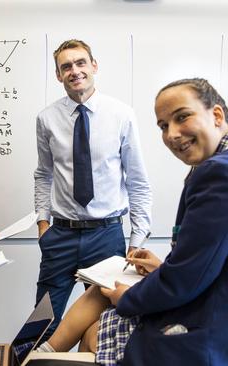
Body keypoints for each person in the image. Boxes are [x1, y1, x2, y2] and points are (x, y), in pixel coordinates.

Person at [37, 78, 228, 366]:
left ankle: (41, 356)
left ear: (216, 115)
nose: (172, 134)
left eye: (182, 117)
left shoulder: (221, 174)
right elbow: (213, 259)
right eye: (163, 126)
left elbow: (186, 280)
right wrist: (162, 267)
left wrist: (127, 298)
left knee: (95, 332)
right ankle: (43, 354)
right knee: (99, 300)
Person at [33, 39, 153, 336]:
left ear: (93, 66)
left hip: (106, 235)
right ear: (58, 75)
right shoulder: (46, 119)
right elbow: (43, 174)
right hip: (59, 235)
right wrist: (43, 224)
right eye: (66, 66)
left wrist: (137, 239)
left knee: (110, 324)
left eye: (80, 63)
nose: (74, 70)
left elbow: (137, 181)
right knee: (41, 321)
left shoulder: (121, 115)